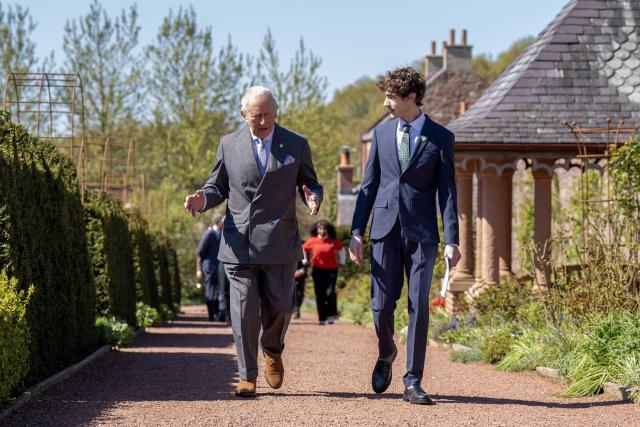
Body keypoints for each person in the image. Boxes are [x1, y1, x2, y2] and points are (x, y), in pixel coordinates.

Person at [184, 86, 323, 398]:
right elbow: (217, 186)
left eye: (270, 115)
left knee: (282, 307)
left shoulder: (296, 143)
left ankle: (272, 350)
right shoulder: (228, 144)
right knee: (244, 310)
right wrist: (202, 198)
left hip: (280, 241)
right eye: (257, 115)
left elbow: (309, 181)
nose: (264, 121)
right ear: (243, 114)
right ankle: (247, 375)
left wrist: (312, 194)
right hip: (240, 243)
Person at [349, 67, 461, 405]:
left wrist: (452, 239)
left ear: (411, 98)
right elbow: (367, 188)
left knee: (418, 306)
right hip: (383, 230)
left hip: (423, 234)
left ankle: (413, 381)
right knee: (381, 305)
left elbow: (449, 194)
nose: (386, 104)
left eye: (392, 97)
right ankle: (386, 352)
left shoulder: (441, 138)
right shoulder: (381, 137)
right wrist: (356, 232)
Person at [302, 220, 345, 325]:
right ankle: (322, 317)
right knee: (319, 293)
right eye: (320, 229)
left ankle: (330, 315)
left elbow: (341, 249)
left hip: (331, 270)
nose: (322, 231)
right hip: (317, 270)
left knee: (329, 292)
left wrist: (342, 261)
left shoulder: (333, 241)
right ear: (317, 230)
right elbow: (303, 248)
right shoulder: (312, 240)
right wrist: (305, 260)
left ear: (328, 230)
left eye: (324, 229)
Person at [197, 215, 223, 321]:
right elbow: (201, 251)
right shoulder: (208, 233)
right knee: (210, 289)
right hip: (209, 267)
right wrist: (200, 267)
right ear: (219, 223)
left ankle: (217, 313)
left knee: (218, 290)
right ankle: (211, 314)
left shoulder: (221, 234)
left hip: (220, 267)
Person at [292, 252, 308, 319]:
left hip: (300, 274)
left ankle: (297, 309)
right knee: (293, 293)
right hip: (288, 273)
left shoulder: (303, 246)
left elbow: (305, 263)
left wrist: (301, 271)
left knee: (300, 294)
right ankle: (295, 310)